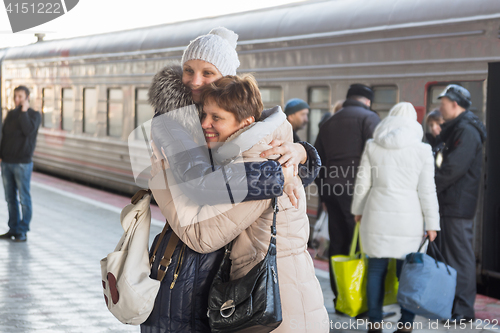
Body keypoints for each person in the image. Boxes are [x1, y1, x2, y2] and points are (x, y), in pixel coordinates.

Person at [142, 27, 321, 333]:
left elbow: (203, 227)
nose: (195, 80)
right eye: (189, 70)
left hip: (272, 302)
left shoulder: (260, 159)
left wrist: (298, 157)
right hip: (242, 288)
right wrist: (299, 158)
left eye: (207, 72)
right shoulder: (184, 125)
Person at [351, 102, 440, 333]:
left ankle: (374, 321)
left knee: (376, 270)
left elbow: (363, 182)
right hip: (408, 219)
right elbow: (427, 190)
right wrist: (432, 224)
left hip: (376, 215)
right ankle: (406, 324)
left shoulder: (373, 145)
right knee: (409, 274)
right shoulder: (422, 150)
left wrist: (357, 211)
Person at [314, 83, 380, 298]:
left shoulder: (329, 122)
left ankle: (340, 295)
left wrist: (323, 193)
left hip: (331, 190)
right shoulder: (369, 119)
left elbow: (316, 161)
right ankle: (358, 297)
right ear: (367, 101)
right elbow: (376, 157)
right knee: (359, 242)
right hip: (356, 192)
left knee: (338, 241)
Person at [434, 84, 486, 322]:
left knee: (460, 257)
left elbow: (453, 168)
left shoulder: (466, 131)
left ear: (454, 104)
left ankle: (464, 310)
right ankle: (455, 306)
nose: (439, 107)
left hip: (457, 204)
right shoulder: (458, 129)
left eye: (442, 103)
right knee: (452, 257)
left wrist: (430, 186)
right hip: (452, 203)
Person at [0, 86, 41, 242]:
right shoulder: (10, 114)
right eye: (15, 96)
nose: (17, 99)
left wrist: (24, 111)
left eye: (20, 97)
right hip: (7, 163)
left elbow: (28, 131)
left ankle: (23, 231)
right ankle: (13, 228)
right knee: (10, 199)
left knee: (24, 198)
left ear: (27, 97)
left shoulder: (34, 115)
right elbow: (4, 136)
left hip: (23, 163)